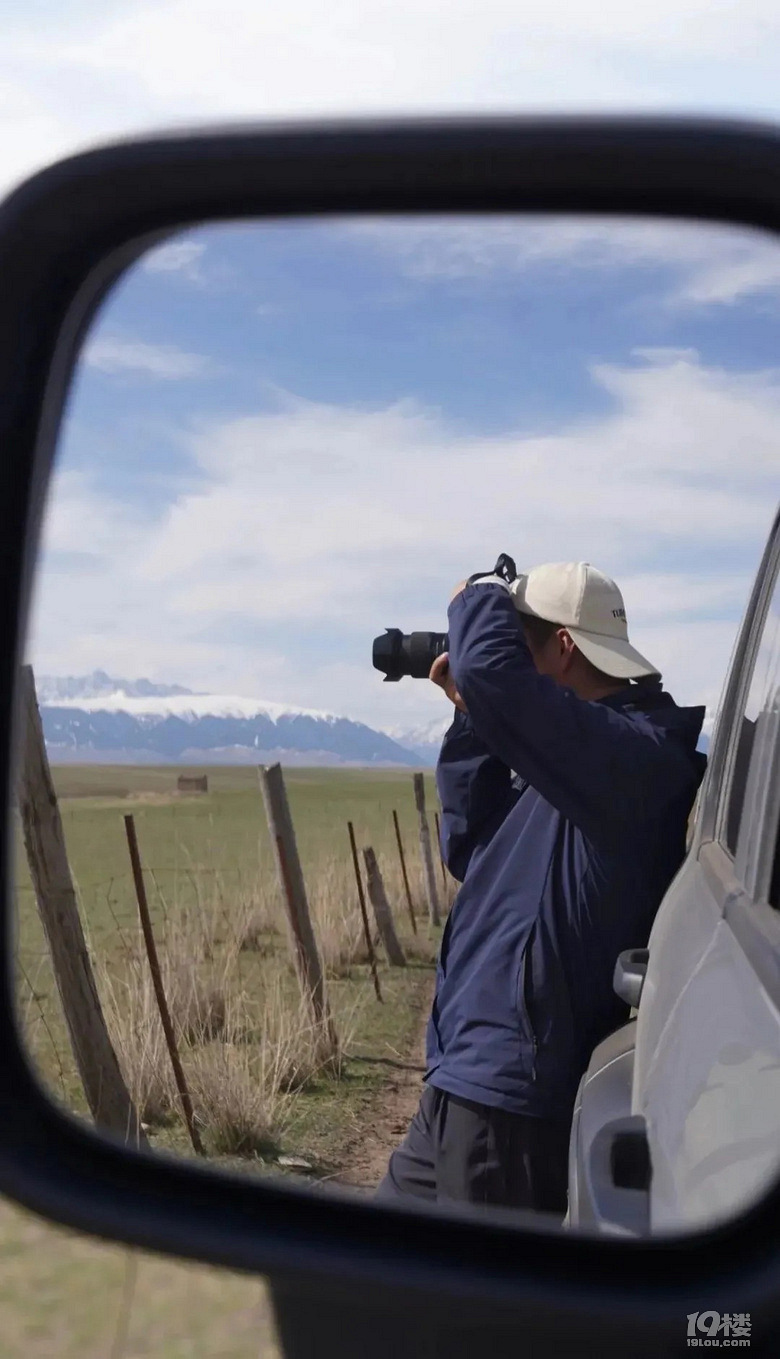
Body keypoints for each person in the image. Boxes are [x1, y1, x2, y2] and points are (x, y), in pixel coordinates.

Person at [376, 561, 706, 1216]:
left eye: (516, 632)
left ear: (562, 647)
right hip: (464, 1076)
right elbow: (471, 847)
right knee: (367, 1279)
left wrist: (478, 595)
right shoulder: (584, 755)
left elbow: (499, 675)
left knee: (477, 1313)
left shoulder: (634, 758)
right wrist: (475, 722)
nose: (501, 652)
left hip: (512, 1100)